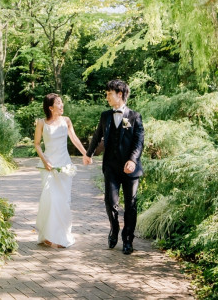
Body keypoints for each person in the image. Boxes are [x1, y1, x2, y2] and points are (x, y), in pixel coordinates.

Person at [83, 79, 144, 255]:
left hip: (130, 169)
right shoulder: (105, 116)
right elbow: (97, 136)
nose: (107, 97)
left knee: (131, 204)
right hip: (110, 166)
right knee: (110, 201)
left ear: (120, 94)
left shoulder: (135, 116)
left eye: (109, 94)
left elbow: (138, 141)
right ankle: (114, 228)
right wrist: (89, 154)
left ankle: (127, 240)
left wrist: (132, 160)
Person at [34, 93, 88, 248]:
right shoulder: (41, 123)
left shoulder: (66, 121)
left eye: (62, 102)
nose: (62, 105)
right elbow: (37, 144)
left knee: (63, 202)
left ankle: (61, 235)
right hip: (48, 166)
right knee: (50, 200)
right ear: (50, 108)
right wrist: (45, 161)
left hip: (65, 166)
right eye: (58, 103)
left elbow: (74, 138)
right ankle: (48, 236)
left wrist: (86, 153)